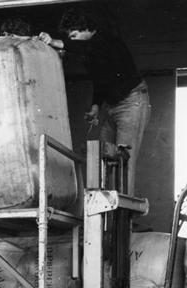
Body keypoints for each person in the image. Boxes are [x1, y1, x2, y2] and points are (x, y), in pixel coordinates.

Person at [38, 8, 150, 197]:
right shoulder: (92, 51)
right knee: (104, 157)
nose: (72, 40)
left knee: (124, 161)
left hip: (133, 102)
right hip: (114, 107)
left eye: (74, 35)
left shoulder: (106, 39)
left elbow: (90, 48)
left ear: (86, 28)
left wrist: (57, 43)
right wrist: (96, 106)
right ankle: (106, 208)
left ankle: (124, 214)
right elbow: (100, 81)